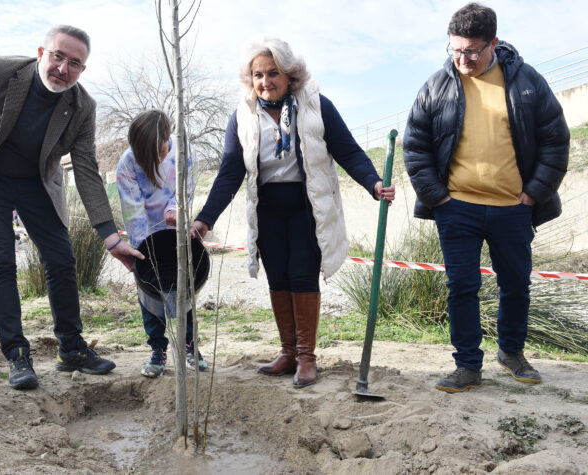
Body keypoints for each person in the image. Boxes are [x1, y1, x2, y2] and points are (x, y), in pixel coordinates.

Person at [0, 25, 144, 390]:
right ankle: (17, 355)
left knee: (61, 259)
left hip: (37, 183)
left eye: (75, 63)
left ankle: (72, 348)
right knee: (1, 262)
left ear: (82, 70)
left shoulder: (82, 107)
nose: (63, 69)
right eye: (58, 56)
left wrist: (111, 238)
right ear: (41, 53)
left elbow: (87, 171)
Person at [190, 36, 395, 389]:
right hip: (267, 209)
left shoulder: (316, 105)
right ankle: (287, 352)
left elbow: (347, 150)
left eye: (273, 73)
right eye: (258, 74)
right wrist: (205, 218)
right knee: (278, 279)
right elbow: (229, 172)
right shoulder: (242, 115)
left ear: (289, 75)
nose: (265, 81)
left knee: (302, 276)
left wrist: (374, 184)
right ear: (250, 78)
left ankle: (306, 357)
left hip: (306, 206)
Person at [403, 3, 570, 393]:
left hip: (514, 207)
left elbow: (555, 142)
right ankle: (467, 366)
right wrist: (437, 198)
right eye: (455, 50)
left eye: (473, 51)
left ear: (493, 42)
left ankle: (511, 353)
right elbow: (416, 147)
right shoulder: (435, 86)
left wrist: (533, 195)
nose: (463, 59)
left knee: (516, 284)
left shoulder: (528, 83)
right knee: (461, 287)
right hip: (455, 207)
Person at [116, 109, 208, 378]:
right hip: (145, 236)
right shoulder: (127, 165)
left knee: (185, 293)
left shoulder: (184, 154)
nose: (157, 158)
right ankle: (158, 349)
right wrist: (146, 251)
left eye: (161, 149)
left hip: (177, 230)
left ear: (169, 136)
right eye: (149, 153)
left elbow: (186, 188)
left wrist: (175, 207)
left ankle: (191, 347)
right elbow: (133, 210)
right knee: (149, 294)